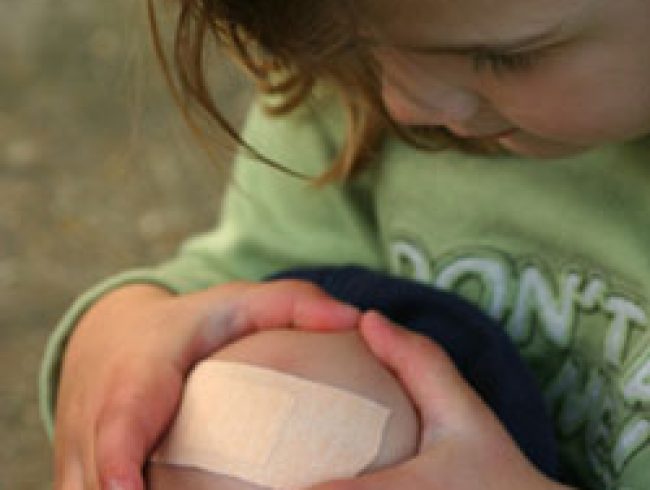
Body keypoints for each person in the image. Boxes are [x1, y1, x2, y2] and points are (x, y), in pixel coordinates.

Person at [40, 0, 650, 489]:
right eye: (355, 43)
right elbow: (243, 285)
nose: (407, 103)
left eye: (499, 57)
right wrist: (118, 334)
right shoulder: (358, 73)